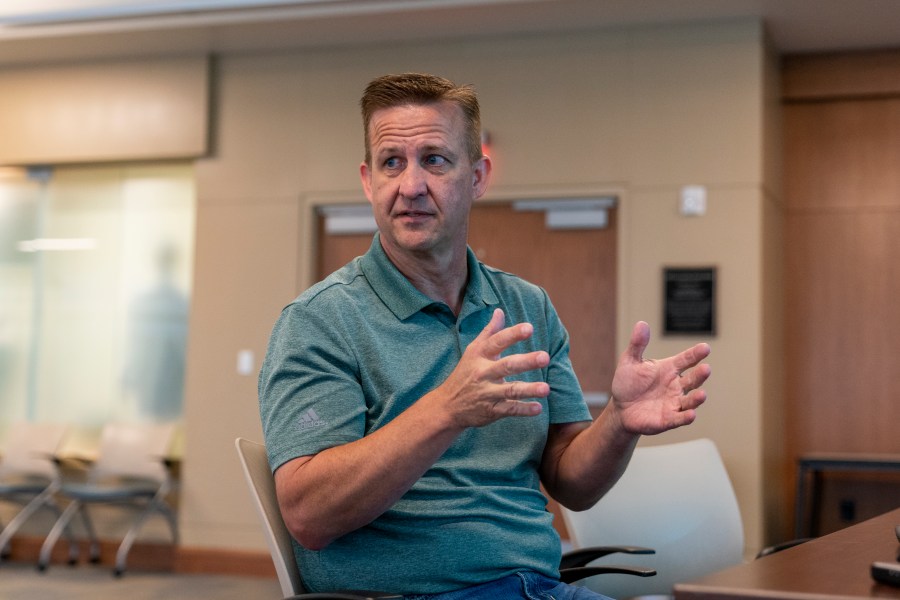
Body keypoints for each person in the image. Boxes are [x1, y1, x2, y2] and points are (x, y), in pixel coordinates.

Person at [258, 72, 711, 599]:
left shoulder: (527, 306)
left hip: (538, 587)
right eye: (391, 163)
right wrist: (448, 409)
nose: (410, 186)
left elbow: (572, 483)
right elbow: (309, 514)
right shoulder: (318, 321)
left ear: (476, 177)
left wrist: (618, 422)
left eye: (435, 159)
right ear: (368, 181)